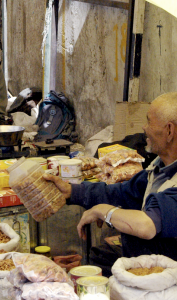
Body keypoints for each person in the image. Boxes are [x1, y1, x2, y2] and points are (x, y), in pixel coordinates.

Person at [44, 92, 177, 276]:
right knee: (99, 258)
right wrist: (72, 191)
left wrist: (103, 211)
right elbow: (122, 193)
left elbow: (147, 226)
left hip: (168, 273)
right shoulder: (159, 168)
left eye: (149, 122)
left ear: (169, 131)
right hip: (149, 258)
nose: (144, 128)